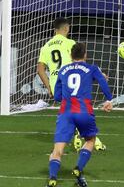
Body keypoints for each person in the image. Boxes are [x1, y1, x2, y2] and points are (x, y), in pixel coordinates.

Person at [46, 43, 113, 187]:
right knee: (90, 140)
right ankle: (78, 168)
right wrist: (109, 99)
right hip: (84, 111)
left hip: (65, 113)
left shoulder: (63, 70)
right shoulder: (92, 68)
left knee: (58, 150)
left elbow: (57, 96)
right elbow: (102, 81)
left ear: (71, 56)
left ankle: (52, 178)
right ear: (85, 55)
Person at [37, 18, 106, 151]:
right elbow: (80, 63)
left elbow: (40, 70)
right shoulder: (70, 43)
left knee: (70, 110)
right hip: (71, 83)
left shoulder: (46, 46)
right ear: (66, 28)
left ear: (54, 30)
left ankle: (77, 137)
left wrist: (49, 87)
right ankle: (91, 139)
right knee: (82, 109)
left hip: (56, 87)